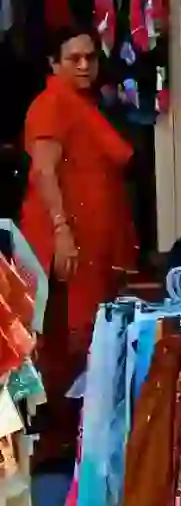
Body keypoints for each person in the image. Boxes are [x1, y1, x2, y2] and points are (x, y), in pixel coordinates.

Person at [21, 26, 138, 465]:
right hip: (67, 241)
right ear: (55, 64)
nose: (86, 66)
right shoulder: (50, 104)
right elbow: (43, 173)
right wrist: (61, 230)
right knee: (70, 339)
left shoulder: (87, 105)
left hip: (91, 240)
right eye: (75, 59)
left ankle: (74, 439)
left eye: (91, 57)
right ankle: (59, 440)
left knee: (87, 335)